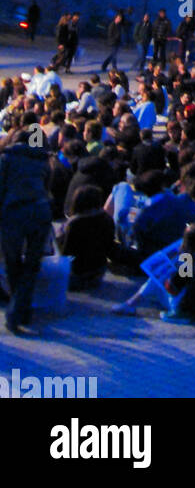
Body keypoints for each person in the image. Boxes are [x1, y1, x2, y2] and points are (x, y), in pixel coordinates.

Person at [0, 120, 53, 334]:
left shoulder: (6, 159)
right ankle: (23, 309)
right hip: (40, 212)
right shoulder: (42, 161)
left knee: (13, 263)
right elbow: (48, 190)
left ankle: (16, 311)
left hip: (13, 213)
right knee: (32, 265)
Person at [57, 184, 115, 290]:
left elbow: (65, 252)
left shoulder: (74, 223)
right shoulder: (107, 219)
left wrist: (60, 236)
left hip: (77, 275)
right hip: (98, 272)